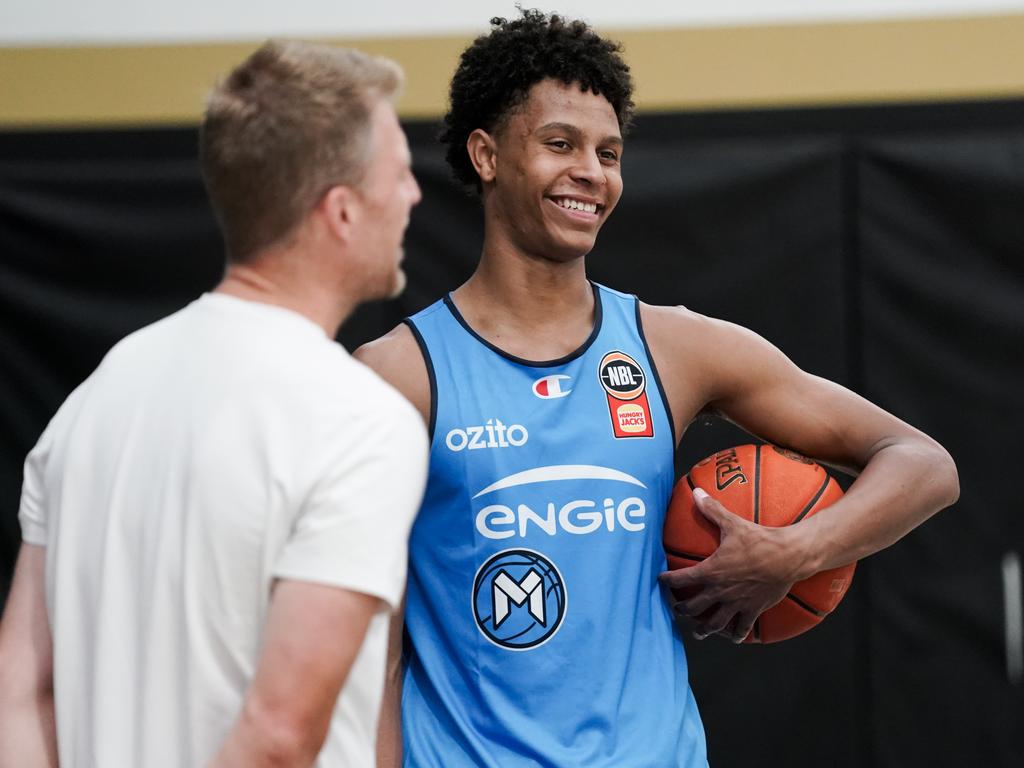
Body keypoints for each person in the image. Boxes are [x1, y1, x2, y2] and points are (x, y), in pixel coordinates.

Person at [354, 10, 960, 768]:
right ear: (485, 155)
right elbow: (371, 651)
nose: (592, 172)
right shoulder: (395, 374)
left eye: (608, 153)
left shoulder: (674, 349)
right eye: (559, 144)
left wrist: (795, 552)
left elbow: (923, 463)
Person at [0, 40, 427, 768]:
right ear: (343, 213)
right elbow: (279, 737)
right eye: (401, 173)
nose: (416, 194)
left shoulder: (93, 400)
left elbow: (20, 692)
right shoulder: (360, 423)